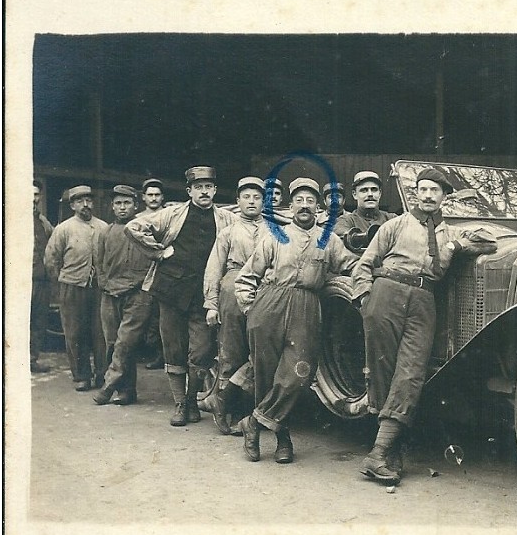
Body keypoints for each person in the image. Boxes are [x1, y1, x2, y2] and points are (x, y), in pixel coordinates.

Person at [352, 167, 497, 484]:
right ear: (415, 193)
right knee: (383, 371)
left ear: (444, 197)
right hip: (386, 293)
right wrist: (366, 302)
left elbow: (489, 242)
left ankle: (378, 453)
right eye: (424, 189)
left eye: (435, 191)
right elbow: (364, 265)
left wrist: (454, 247)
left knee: (412, 373)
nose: (429, 195)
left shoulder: (449, 234)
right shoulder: (395, 225)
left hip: (423, 301)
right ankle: (387, 451)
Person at [234, 178, 359, 463]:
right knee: (266, 375)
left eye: (310, 201)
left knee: (298, 374)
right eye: (299, 201)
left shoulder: (328, 239)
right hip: (270, 304)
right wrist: (251, 310)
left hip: (306, 306)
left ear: (318, 207)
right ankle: (282, 437)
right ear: (292, 206)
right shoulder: (275, 235)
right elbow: (247, 276)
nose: (305, 206)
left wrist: (376, 266)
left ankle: (252, 424)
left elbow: (350, 264)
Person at [126, 166, 236, 426]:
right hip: (171, 291)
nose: (204, 192)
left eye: (208, 187)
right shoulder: (172, 214)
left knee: (201, 350)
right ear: (189, 191)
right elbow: (133, 227)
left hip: (205, 293)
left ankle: (191, 400)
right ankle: (179, 405)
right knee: (173, 348)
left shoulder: (226, 219)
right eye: (198, 188)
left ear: (215, 190)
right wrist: (158, 252)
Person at [202, 176, 267, 434]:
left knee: (260, 351)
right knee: (231, 350)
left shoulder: (275, 230)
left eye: (257, 197)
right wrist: (211, 304)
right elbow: (213, 268)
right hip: (232, 284)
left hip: (264, 290)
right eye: (246, 197)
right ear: (238, 201)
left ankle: (249, 411)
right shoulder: (228, 232)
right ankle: (224, 407)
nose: (252, 201)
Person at [92, 185, 155, 406]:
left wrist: (143, 286)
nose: (122, 207)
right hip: (110, 294)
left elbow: (155, 259)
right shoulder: (106, 232)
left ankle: (108, 386)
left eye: (126, 203)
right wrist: (104, 284)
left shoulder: (145, 230)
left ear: (135, 206)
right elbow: (99, 263)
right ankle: (127, 391)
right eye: (118, 203)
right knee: (112, 343)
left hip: (137, 295)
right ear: (112, 207)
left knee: (125, 343)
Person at [43, 185, 108, 391]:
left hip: (98, 287)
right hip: (72, 287)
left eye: (88, 200)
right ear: (72, 205)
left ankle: (101, 374)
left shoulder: (103, 227)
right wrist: (62, 283)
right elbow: (51, 259)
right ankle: (81, 375)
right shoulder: (63, 229)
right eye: (80, 201)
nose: (85, 205)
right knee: (74, 332)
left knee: (100, 332)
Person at [140, 178, 166, 370]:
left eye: (157, 195)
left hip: (162, 272)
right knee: (142, 315)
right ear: (143, 198)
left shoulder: (169, 217)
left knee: (159, 316)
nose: (154, 198)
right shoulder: (138, 219)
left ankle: (160, 355)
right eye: (150, 195)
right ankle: (144, 351)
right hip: (140, 271)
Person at [334, 171, 395, 254]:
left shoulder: (393, 219)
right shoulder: (345, 221)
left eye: (374, 190)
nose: (370, 194)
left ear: (380, 193)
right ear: (354, 194)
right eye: (364, 190)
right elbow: (344, 237)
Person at [31, 181, 55, 374]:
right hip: (18, 282)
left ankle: (31, 360)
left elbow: (53, 242)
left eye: (37, 194)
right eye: (29, 194)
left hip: (41, 280)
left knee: (38, 321)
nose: (33, 198)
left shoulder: (43, 221)